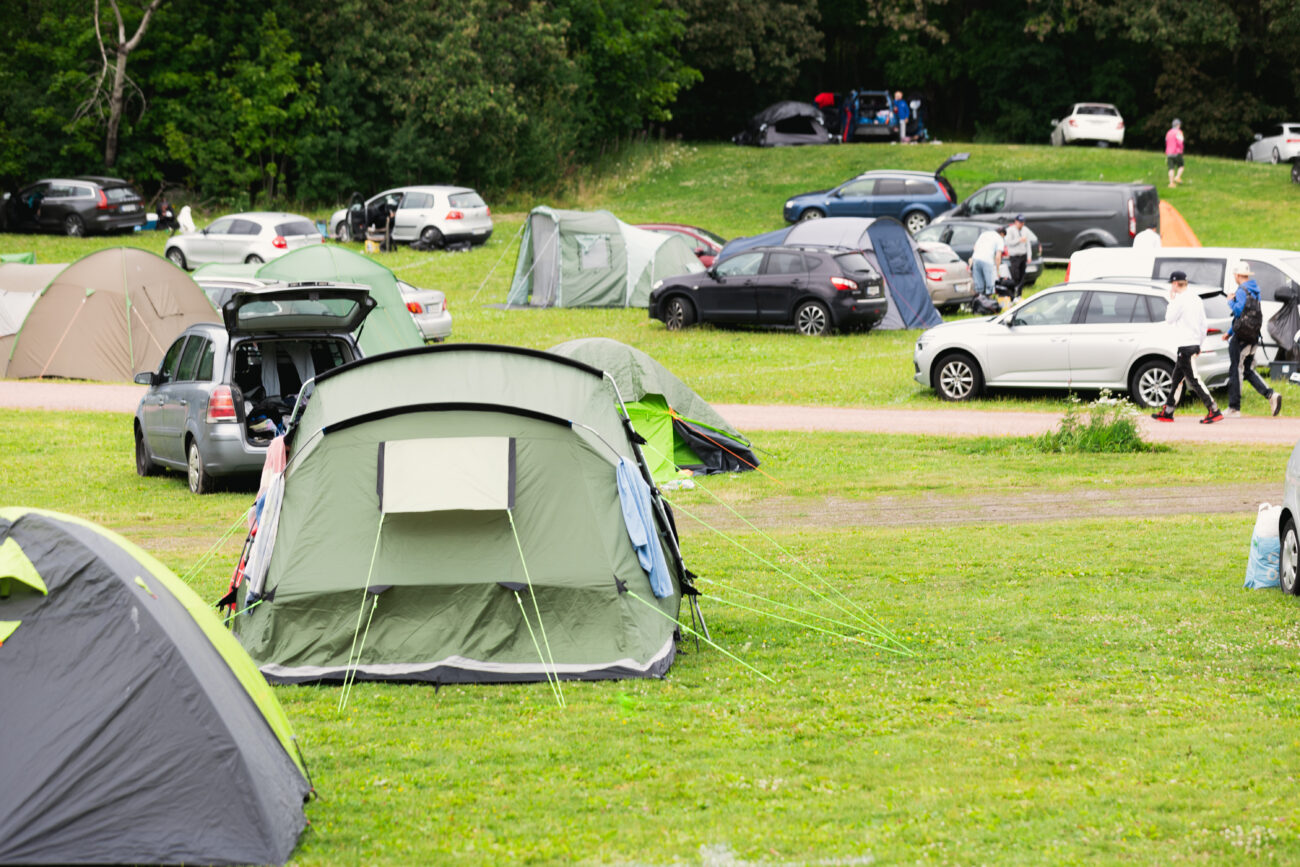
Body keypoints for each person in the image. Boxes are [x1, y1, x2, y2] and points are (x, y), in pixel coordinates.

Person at [1152, 271, 1222, 423]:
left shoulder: (1179, 300)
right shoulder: (1196, 299)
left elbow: (1169, 319)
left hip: (1185, 345)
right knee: (1177, 379)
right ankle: (1168, 411)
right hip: (1194, 343)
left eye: (1172, 284)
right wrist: (1200, 344)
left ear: (1176, 284)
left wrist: (1171, 300)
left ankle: (1213, 409)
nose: (1171, 287)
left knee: (1194, 379)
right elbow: (1204, 324)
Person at [1224, 260, 1282, 418]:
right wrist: (1229, 332)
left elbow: (1238, 311)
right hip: (1253, 335)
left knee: (1236, 370)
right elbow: (1247, 316)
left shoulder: (1242, 290)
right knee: (1248, 370)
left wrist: (1230, 301)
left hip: (1241, 338)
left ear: (1237, 275)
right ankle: (1271, 395)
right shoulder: (1255, 290)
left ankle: (1234, 408)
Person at [970, 225, 1006, 299]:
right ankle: (989, 304)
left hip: (976, 259)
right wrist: (998, 271)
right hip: (987, 260)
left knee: (979, 286)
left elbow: (975, 247)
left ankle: (980, 303)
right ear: (1002, 234)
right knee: (990, 285)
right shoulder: (999, 239)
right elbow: (998, 257)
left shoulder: (984, 234)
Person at [1003, 214, 1030, 300]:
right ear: (1016, 221)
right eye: (1020, 222)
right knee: (1015, 276)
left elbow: (1028, 244)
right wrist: (1019, 240)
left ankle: (1019, 294)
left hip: (1023, 255)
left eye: (1023, 222)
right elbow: (1008, 243)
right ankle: (1013, 294)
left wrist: (1029, 256)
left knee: (1022, 276)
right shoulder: (1010, 230)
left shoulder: (1025, 230)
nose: (1021, 224)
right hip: (1014, 256)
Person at [1166, 119, 1185, 187]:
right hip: (1177, 152)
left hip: (1169, 153)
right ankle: (1177, 177)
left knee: (1171, 168)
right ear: (1178, 125)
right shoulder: (1178, 132)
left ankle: (1171, 183)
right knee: (1181, 166)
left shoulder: (1168, 132)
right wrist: (1182, 152)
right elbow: (1180, 142)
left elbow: (1167, 142)